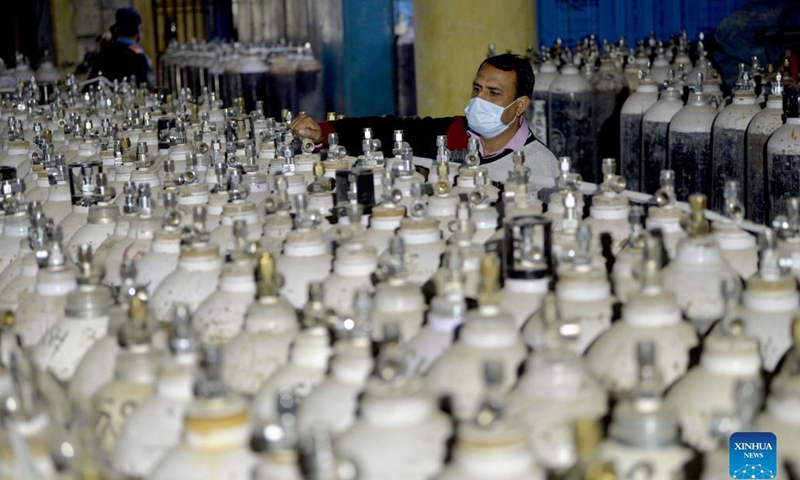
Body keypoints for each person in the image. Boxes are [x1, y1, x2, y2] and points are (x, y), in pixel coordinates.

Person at [289, 53, 558, 184]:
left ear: (520, 105)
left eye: (494, 93)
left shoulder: (541, 165)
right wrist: (324, 132)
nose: (479, 100)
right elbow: (388, 129)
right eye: (477, 89)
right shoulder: (452, 133)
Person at [88, 8, 154, 87]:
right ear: (139, 29)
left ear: (116, 29)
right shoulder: (138, 55)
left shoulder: (104, 53)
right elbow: (150, 83)